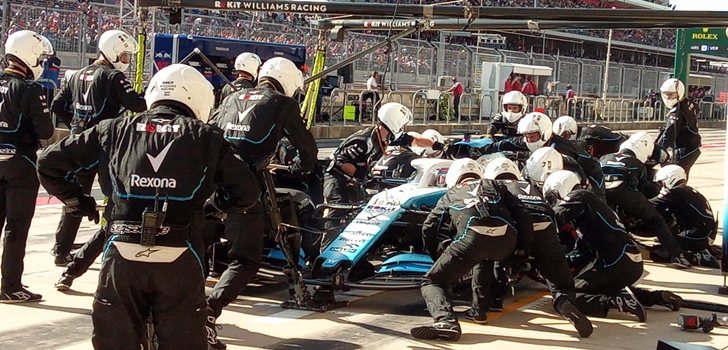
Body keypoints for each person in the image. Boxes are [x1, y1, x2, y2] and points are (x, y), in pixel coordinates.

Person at [37, 63, 260, 349]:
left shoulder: (113, 129)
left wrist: (78, 202)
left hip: (121, 253)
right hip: (181, 253)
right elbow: (246, 191)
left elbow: (48, 162)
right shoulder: (207, 137)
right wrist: (213, 208)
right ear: (199, 98)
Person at [207, 56, 317, 349]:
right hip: (244, 186)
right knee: (245, 258)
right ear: (289, 82)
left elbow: (209, 129)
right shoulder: (283, 104)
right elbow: (306, 146)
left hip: (208, 181)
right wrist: (301, 167)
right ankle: (208, 310)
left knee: (194, 247)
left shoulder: (232, 95)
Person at [50, 29, 146, 266]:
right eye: (124, 56)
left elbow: (56, 105)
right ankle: (111, 243)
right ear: (112, 51)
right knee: (114, 197)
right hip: (105, 145)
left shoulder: (76, 75)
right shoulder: (113, 77)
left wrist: (75, 123)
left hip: (79, 142)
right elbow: (137, 104)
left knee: (76, 197)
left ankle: (61, 250)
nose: (126, 61)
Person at [411, 159, 536, 341]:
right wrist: (521, 251)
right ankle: (480, 309)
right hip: (505, 242)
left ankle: (446, 321)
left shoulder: (452, 192)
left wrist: (436, 256)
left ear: (453, 178)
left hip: (471, 240)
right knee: (485, 258)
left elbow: (429, 226)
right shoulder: (494, 184)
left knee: (432, 281)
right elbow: (524, 216)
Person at [470, 158, 593, 337]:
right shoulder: (529, 185)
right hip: (547, 226)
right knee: (560, 282)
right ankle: (564, 302)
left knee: (488, 254)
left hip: (518, 228)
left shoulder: (493, 187)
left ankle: (487, 303)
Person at [543, 171, 683, 322]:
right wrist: (564, 261)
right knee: (602, 288)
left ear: (561, 188)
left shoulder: (579, 196)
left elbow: (554, 218)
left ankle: (614, 302)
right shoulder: (593, 208)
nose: (553, 203)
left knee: (567, 295)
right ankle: (656, 297)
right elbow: (582, 251)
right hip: (630, 261)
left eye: (552, 198)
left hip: (616, 262)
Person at [322, 102, 446, 247]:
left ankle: (356, 248)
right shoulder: (364, 141)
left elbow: (415, 140)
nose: (402, 128)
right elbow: (341, 162)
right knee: (337, 210)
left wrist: (439, 145)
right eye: (401, 124)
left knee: (364, 213)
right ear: (393, 122)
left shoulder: (387, 137)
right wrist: (366, 174)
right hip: (336, 178)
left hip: (354, 181)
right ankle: (323, 253)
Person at [0, 30, 54, 303]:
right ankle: (10, 286)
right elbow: (46, 130)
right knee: (16, 228)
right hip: (20, 163)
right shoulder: (30, 89)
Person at [599, 132, 691, 268]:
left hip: (601, 193)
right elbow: (640, 189)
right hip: (623, 191)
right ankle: (676, 255)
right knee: (656, 220)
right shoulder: (638, 165)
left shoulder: (604, 158)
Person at [479, 112, 605, 198]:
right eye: (526, 136)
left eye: (532, 136)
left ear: (544, 132)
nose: (529, 140)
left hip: (591, 174)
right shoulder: (532, 140)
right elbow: (506, 143)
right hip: (569, 172)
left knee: (589, 203)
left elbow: (576, 173)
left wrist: (587, 188)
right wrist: (483, 147)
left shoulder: (559, 150)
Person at [651, 165, 719, 267]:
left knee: (660, 250)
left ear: (671, 178)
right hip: (705, 234)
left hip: (698, 235)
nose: (662, 186)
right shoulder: (688, 191)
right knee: (666, 233)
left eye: (662, 182)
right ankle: (701, 249)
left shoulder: (675, 192)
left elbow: (650, 205)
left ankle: (695, 256)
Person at [656, 78, 701, 176]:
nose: (668, 97)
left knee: (673, 175)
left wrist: (655, 151)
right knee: (680, 174)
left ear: (679, 93)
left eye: (671, 94)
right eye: (665, 94)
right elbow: (696, 108)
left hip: (685, 149)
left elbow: (668, 135)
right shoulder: (688, 103)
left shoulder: (676, 113)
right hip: (692, 148)